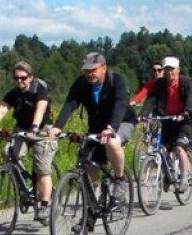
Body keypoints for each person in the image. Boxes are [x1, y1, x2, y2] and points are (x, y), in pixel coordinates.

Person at [48, 52, 136, 205]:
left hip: (122, 122)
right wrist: (57, 127)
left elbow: (120, 104)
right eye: (86, 71)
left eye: (93, 70)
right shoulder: (81, 84)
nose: (89, 74)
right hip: (96, 128)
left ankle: (120, 179)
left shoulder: (116, 80)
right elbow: (70, 104)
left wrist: (112, 128)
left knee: (112, 143)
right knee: (88, 165)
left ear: (104, 67)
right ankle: (90, 210)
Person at [0, 61, 57, 222]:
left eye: (23, 78)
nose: (19, 81)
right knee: (8, 154)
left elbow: (40, 109)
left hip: (41, 130)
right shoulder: (13, 93)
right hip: (21, 129)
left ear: (31, 77)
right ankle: (26, 185)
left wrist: (35, 126)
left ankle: (44, 205)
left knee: (42, 168)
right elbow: (2, 109)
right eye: (16, 78)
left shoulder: (39, 89)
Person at [141, 56, 192, 192]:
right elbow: (151, 99)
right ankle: (168, 172)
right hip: (167, 120)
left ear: (178, 70)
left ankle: (184, 178)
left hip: (183, 121)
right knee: (159, 146)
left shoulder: (186, 82)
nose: (169, 72)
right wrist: (143, 115)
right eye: (166, 69)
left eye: (172, 69)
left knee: (179, 148)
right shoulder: (160, 84)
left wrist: (186, 113)